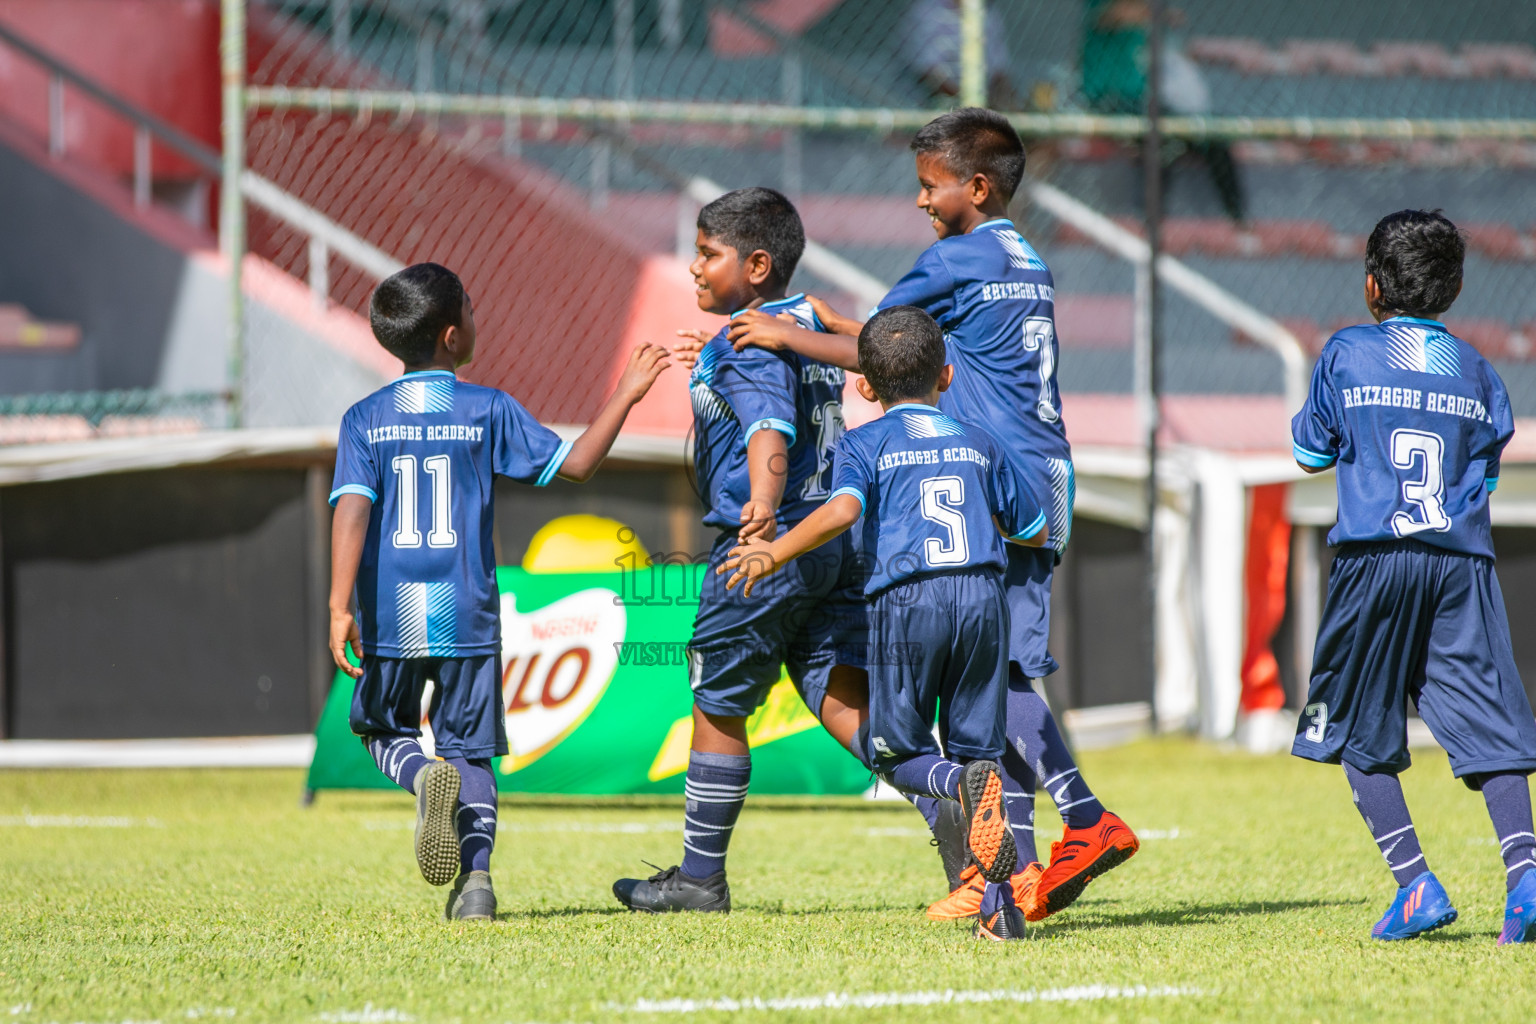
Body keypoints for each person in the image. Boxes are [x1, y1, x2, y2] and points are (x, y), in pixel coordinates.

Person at [716, 108, 1139, 924]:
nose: (919, 202)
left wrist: (788, 335)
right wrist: (849, 326)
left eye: (928, 186)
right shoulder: (1025, 256)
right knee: (1000, 669)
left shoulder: (951, 258)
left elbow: (883, 351)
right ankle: (1006, 880)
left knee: (1002, 675)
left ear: (974, 188)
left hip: (993, 472)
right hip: (1047, 468)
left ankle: (1082, 821)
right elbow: (910, 339)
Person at [328, 263, 669, 921]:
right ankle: (476, 884)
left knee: (376, 725)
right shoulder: (486, 408)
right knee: (471, 751)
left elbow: (351, 509)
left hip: (394, 613)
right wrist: (625, 393)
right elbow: (575, 465)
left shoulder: (364, 419)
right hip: (468, 611)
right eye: (475, 310)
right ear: (454, 336)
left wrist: (340, 605)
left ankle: (420, 777)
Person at [724, 305, 1049, 940]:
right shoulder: (980, 441)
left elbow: (844, 509)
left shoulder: (864, 441)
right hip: (983, 598)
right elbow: (1030, 525)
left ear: (864, 387)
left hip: (906, 602)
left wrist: (773, 551)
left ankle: (956, 785)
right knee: (983, 749)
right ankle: (1001, 914)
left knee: (895, 748)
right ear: (947, 377)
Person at [609, 188, 873, 914]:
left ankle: (698, 879)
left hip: (765, 545)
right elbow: (871, 352)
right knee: (841, 696)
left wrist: (760, 501)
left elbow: (767, 429)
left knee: (717, 705)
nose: (694, 268)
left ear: (756, 264)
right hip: (830, 542)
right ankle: (950, 799)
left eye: (707, 254)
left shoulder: (746, 338)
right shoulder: (800, 325)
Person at [1291, 209, 1536, 945]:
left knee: (1358, 730)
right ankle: (1525, 879)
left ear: (1371, 284)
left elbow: (1309, 454)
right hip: (1461, 563)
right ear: (1455, 286)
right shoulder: (1478, 371)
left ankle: (1416, 886)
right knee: (1494, 732)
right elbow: (1485, 476)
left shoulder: (1347, 353)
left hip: (1374, 559)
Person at [1080, 0, 1245, 223]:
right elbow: (1112, 15)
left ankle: (1238, 220)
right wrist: (1156, 12)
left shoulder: (1146, 22)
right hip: (1109, 100)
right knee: (1160, 140)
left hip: (1144, 103)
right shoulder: (1118, 9)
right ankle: (1151, 224)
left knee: (1212, 134)